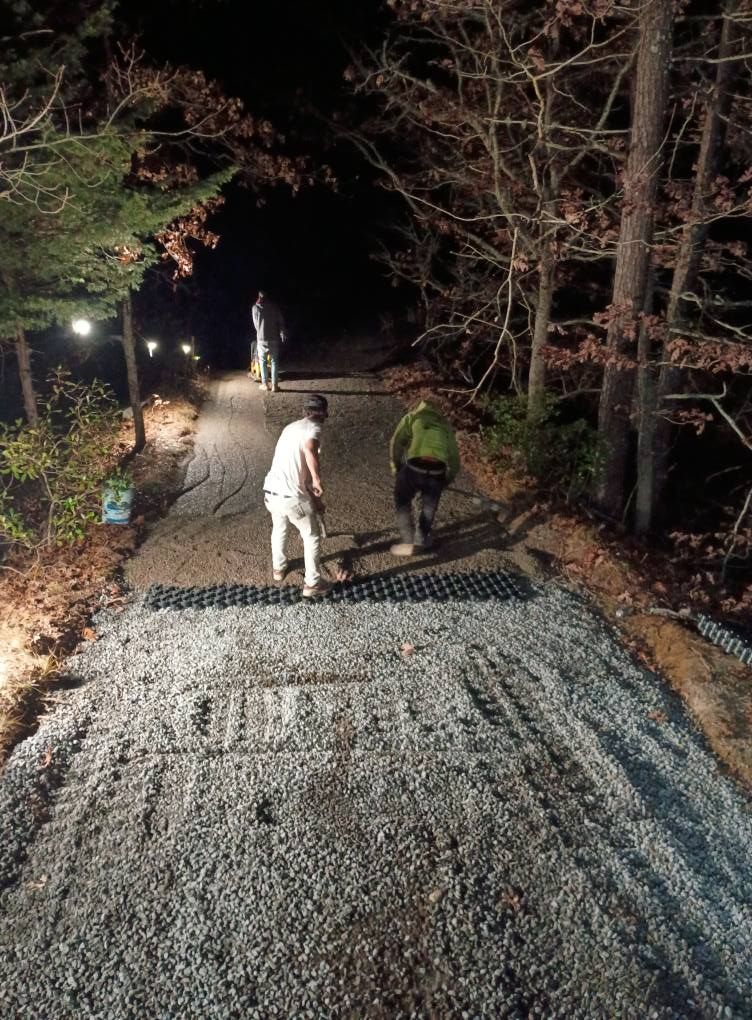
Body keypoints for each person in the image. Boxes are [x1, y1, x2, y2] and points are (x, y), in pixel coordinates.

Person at [263, 393, 332, 597]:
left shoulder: (290, 427)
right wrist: (318, 481)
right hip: (292, 498)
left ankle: (279, 568)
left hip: (271, 492)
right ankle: (312, 584)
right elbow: (310, 449)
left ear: (304, 411)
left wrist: (316, 500)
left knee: (280, 527)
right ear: (325, 413)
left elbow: (299, 473)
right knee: (311, 537)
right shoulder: (315, 427)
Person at [389, 398, 460, 556]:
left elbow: (397, 442)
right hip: (437, 472)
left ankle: (408, 539)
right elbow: (454, 458)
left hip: (415, 467)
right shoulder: (445, 425)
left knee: (402, 498)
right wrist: (447, 479)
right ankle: (422, 538)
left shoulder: (413, 417)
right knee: (429, 506)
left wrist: (396, 467)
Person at [252, 290, 285, 392]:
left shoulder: (255, 308)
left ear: (259, 297)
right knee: (274, 362)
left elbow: (256, 325)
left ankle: (265, 384)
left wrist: (261, 331)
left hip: (262, 338)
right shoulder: (274, 307)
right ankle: (275, 386)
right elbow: (281, 321)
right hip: (274, 337)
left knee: (263, 361)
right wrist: (282, 333)